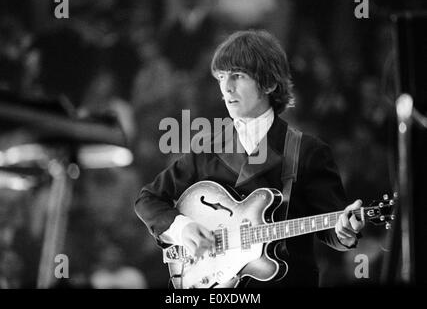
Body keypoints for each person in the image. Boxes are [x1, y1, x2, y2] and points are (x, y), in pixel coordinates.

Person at [134, 29, 365, 288]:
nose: (227, 87)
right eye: (222, 77)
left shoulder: (308, 151)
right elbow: (148, 199)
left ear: (268, 84)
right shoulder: (206, 150)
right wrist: (182, 227)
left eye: (238, 76)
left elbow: (332, 226)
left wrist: (345, 230)